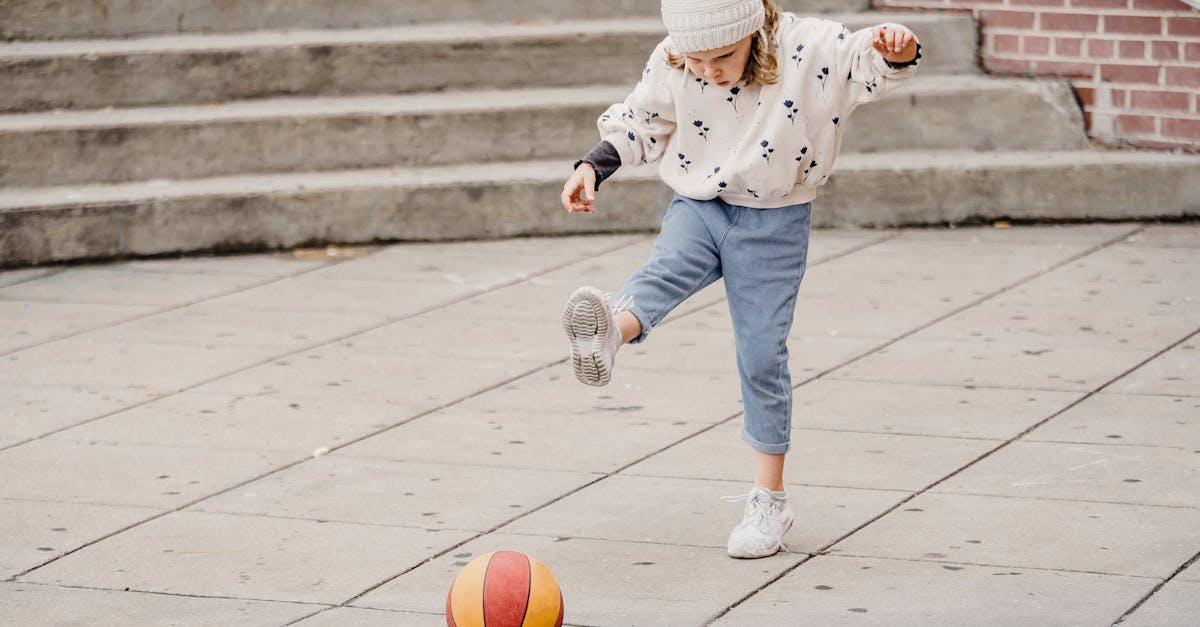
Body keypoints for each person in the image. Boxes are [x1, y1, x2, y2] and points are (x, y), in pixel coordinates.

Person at [559, 0, 920, 559]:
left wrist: (898, 50)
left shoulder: (806, 47)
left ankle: (769, 500)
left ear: (752, 27)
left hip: (775, 222)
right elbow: (642, 119)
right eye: (694, 60)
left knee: (760, 357)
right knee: (663, 272)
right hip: (700, 203)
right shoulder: (676, 57)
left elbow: (862, 63)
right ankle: (609, 331)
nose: (707, 70)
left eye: (722, 56)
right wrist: (592, 166)